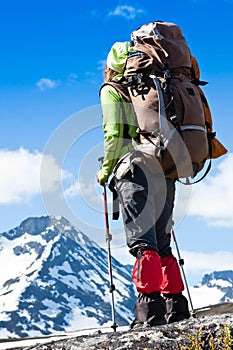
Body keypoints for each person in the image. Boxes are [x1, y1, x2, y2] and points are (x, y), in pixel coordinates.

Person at [97, 41, 190, 327]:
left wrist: (105, 172)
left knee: (143, 242)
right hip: (167, 167)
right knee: (163, 242)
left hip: (136, 170)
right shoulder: (158, 85)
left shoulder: (112, 91)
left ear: (111, 67)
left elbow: (115, 134)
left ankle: (150, 312)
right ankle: (177, 307)